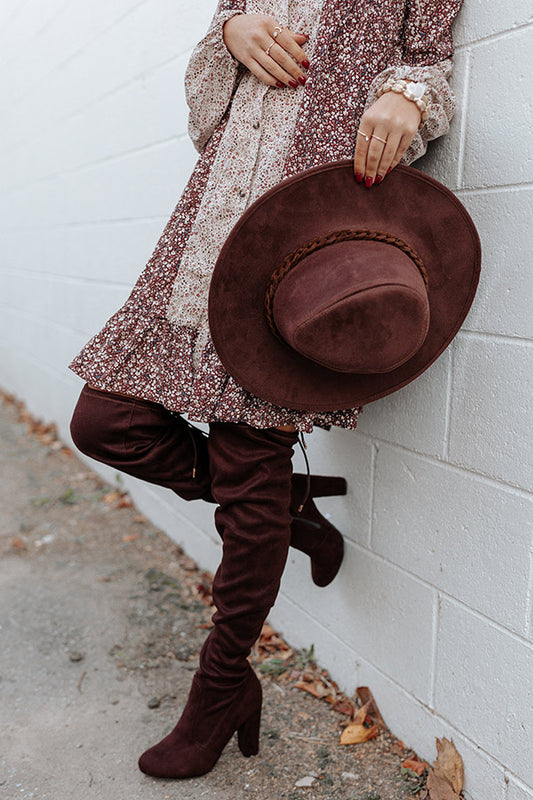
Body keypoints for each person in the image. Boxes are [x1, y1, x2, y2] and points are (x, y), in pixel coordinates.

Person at [69, 0, 465, 780]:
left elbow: (425, 56)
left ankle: (222, 684)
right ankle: (282, 506)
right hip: (215, 216)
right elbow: (213, 74)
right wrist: (230, 32)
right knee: (105, 420)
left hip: (309, 227)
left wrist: (405, 96)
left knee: (248, 462)